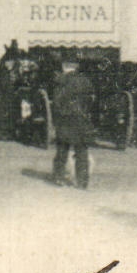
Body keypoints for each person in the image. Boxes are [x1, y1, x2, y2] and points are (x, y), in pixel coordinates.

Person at [51, 55, 95, 189]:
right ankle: (82, 182)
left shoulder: (61, 80)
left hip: (65, 119)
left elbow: (57, 101)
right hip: (81, 119)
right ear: (77, 67)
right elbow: (92, 99)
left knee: (62, 150)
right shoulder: (85, 80)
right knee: (82, 151)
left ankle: (59, 178)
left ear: (64, 66)